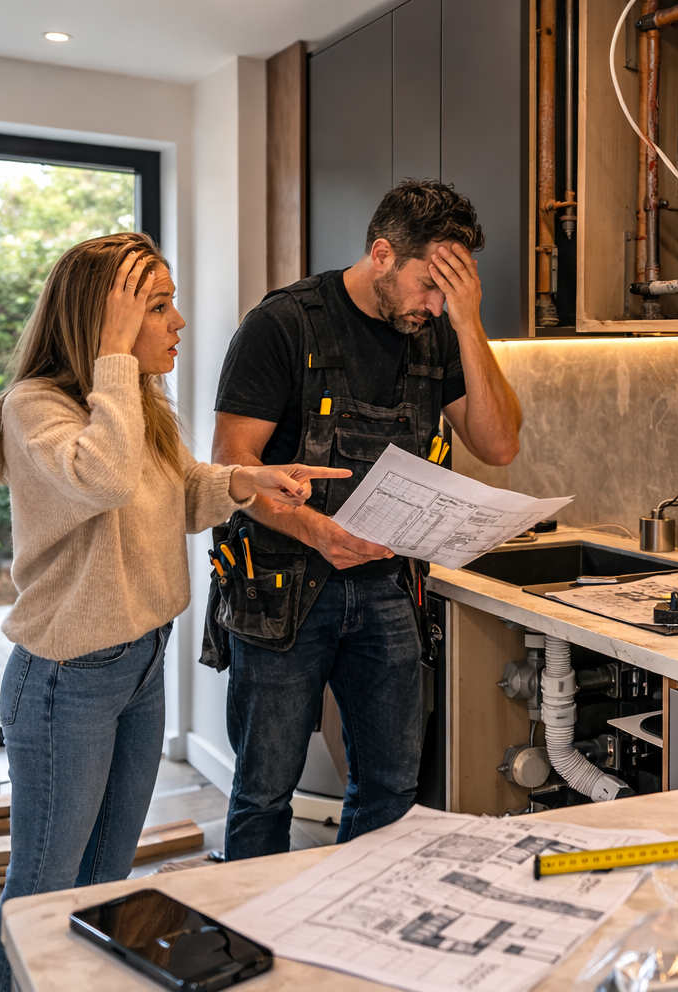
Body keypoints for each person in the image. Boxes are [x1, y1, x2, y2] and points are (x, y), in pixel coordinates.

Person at [0, 233, 347, 992]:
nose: (178, 321)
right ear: (104, 320)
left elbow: (180, 495)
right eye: (156, 305)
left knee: (105, 881)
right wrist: (116, 357)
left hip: (142, 666)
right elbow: (106, 481)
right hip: (66, 681)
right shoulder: (35, 408)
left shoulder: (137, 403)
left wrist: (248, 480)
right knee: (42, 892)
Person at [209, 178, 521, 858]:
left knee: (389, 787)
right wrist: (316, 531)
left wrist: (469, 323)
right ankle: (255, 922)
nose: (434, 305)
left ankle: (354, 911)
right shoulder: (282, 324)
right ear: (382, 254)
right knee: (265, 792)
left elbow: (498, 445)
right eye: (430, 285)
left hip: (386, 589)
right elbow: (232, 469)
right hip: (282, 589)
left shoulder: (438, 332)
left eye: (450, 291)